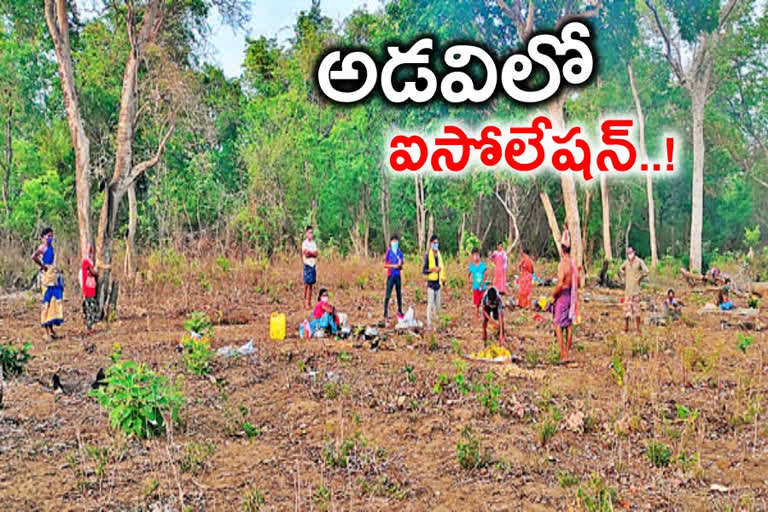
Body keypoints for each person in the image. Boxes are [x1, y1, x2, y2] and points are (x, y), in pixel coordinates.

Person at [32, 227, 63, 339]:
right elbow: (34, 257)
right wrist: (42, 266)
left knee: (54, 302)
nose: (50, 238)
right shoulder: (42, 247)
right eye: (48, 236)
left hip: (53, 276)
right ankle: (45, 330)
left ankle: (51, 329)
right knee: (46, 302)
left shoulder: (51, 248)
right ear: (43, 237)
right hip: (46, 277)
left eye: (51, 236)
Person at [552, 237, 578, 362]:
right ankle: (567, 352)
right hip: (570, 296)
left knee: (557, 324)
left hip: (563, 295)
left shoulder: (563, 264)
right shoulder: (573, 264)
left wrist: (554, 295)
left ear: (562, 251)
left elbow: (561, 283)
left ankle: (563, 354)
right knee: (568, 325)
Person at [619, 245, 649, 333]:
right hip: (627, 290)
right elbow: (620, 268)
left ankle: (638, 329)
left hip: (636, 290)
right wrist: (623, 274)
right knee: (627, 310)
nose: (629, 254)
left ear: (634, 252)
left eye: (630, 252)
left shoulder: (639, 261)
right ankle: (626, 328)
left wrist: (640, 278)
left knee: (637, 310)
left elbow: (646, 271)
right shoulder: (626, 262)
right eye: (628, 253)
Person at [422, 234, 445, 329]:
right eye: (434, 243)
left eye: (437, 243)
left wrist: (443, 280)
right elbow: (424, 270)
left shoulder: (439, 255)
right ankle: (429, 324)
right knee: (430, 304)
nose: (436, 245)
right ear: (431, 244)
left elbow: (442, 269)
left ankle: (437, 324)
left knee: (438, 306)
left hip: (438, 284)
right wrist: (433, 270)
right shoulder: (428, 255)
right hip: (431, 284)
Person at [383, 234, 405, 323]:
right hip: (390, 275)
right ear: (391, 242)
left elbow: (401, 266)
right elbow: (385, 265)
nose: (395, 243)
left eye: (396, 241)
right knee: (388, 294)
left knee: (399, 294)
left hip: (398, 276)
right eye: (393, 241)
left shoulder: (400, 253)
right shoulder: (389, 252)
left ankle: (400, 311)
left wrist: (399, 265)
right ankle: (385, 312)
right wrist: (393, 266)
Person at [81, 243, 100, 334]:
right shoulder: (86, 262)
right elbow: (93, 272)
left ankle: (90, 326)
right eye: (89, 251)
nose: (90, 253)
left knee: (90, 307)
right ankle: (89, 328)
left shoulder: (89, 262)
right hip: (88, 289)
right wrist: (96, 271)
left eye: (91, 252)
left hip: (90, 287)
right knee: (90, 308)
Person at [467, 247, 487, 321]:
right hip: (475, 287)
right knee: (476, 304)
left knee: (484, 303)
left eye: (477, 255)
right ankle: (477, 318)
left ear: (479, 255)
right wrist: (468, 283)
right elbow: (468, 275)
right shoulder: (472, 266)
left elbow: (485, 274)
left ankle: (485, 317)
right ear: (472, 256)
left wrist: (482, 282)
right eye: (474, 255)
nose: (476, 257)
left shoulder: (482, 265)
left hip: (483, 287)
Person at [301, 225, 318, 309]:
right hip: (307, 265)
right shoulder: (304, 243)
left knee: (311, 285)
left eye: (311, 233)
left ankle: (309, 302)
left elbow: (316, 254)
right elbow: (306, 254)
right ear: (306, 233)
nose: (310, 234)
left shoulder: (314, 243)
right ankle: (304, 302)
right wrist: (311, 253)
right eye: (309, 233)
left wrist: (310, 253)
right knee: (306, 284)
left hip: (312, 265)